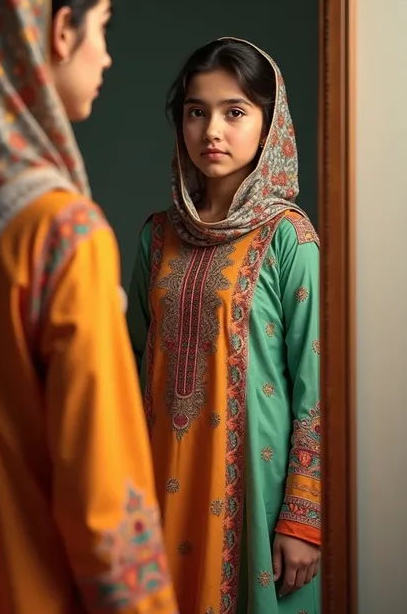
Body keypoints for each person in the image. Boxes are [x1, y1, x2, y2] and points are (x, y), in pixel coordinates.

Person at [0, 0, 177, 613]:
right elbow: (109, 512)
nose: (107, 55)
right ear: (58, 31)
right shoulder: (59, 236)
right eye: (101, 26)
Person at [127, 37, 321, 614]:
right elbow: (129, 369)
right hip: (158, 490)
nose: (212, 129)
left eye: (235, 112)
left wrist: (304, 518)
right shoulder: (155, 237)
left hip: (258, 506)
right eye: (196, 111)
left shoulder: (289, 237)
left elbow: (317, 383)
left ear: (268, 124)